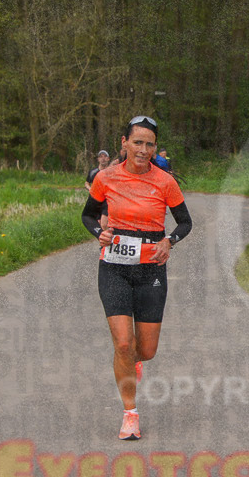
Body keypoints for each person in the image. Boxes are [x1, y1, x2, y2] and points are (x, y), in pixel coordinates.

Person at [81, 115, 193, 440]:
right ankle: (130, 414)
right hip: (114, 267)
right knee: (123, 343)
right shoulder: (106, 177)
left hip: (150, 270)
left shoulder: (165, 181)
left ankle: (134, 361)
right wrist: (99, 232)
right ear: (124, 143)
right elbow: (88, 215)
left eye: (149, 144)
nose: (143, 150)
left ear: (155, 148)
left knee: (147, 349)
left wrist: (169, 241)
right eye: (138, 142)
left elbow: (185, 222)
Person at [85, 150, 111, 228]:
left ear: (108, 159)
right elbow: (87, 183)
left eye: (105, 156)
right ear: (98, 159)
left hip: (108, 200)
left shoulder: (112, 172)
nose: (103, 159)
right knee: (98, 221)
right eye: (101, 157)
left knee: (106, 221)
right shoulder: (93, 172)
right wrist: (90, 189)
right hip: (96, 200)